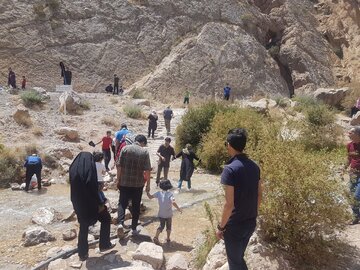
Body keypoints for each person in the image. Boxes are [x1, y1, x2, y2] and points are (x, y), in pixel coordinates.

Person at [215, 128, 262, 270]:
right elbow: (260, 195)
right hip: (250, 222)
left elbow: (229, 205)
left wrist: (221, 227)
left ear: (229, 145)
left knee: (235, 264)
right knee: (238, 259)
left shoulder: (229, 169)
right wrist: (252, 215)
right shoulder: (255, 167)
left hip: (234, 226)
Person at [69, 152, 114, 261]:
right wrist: (100, 203)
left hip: (79, 203)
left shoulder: (73, 169)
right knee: (106, 218)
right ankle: (104, 244)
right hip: (91, 203)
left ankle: (82, 253)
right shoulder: (90, 170)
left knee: (83, 227)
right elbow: (92, 189)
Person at [116, 135, 151, 238]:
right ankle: (134, 229)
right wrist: (148, 185)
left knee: (122, 203)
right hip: (138, 184)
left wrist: (118, 180)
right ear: (143, 142)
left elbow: (119, 166)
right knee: (136, 205)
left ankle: (120, 223)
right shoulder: (144, 152)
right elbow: (148, 170)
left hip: (124, 182)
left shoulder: (125, 148)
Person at [146, 179, 182, 244]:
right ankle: (168, 238)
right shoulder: (170, 194)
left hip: (161, 214)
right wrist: (178, 208)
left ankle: (156, 237)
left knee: (161, 226)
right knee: (169, 226)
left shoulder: (158, 193)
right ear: (169, 186)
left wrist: (147, 192)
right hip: (168, 214)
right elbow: (173, 202)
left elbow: (150, 197)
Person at [346, 127, 360, 225]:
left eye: (352, 132)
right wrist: (343, 167)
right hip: (353, 174)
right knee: (351, 196)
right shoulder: (349, 145)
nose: (349, 134)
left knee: (356, 196)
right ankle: (355, 217)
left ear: (358, 134)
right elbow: (349, 159)